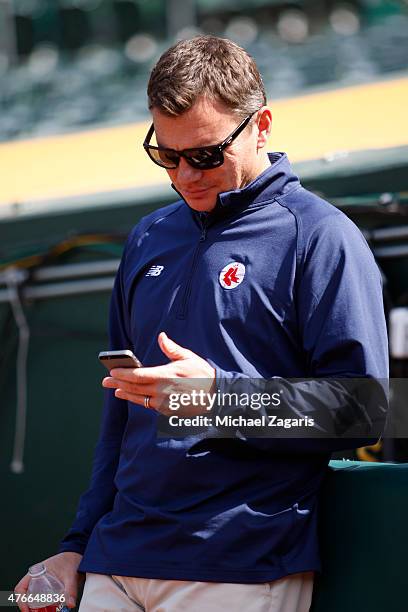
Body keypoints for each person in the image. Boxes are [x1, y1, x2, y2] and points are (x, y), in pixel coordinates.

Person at [15, 35, 388, 612]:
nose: (185, 175)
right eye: (166, 155)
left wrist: (216, 397)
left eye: (206, 155)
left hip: (238, 564)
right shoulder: (147, 236)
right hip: (118, 558)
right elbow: (120, 419)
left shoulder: (321, 235)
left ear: (261, 126)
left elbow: (363, 410)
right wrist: (76, 547)